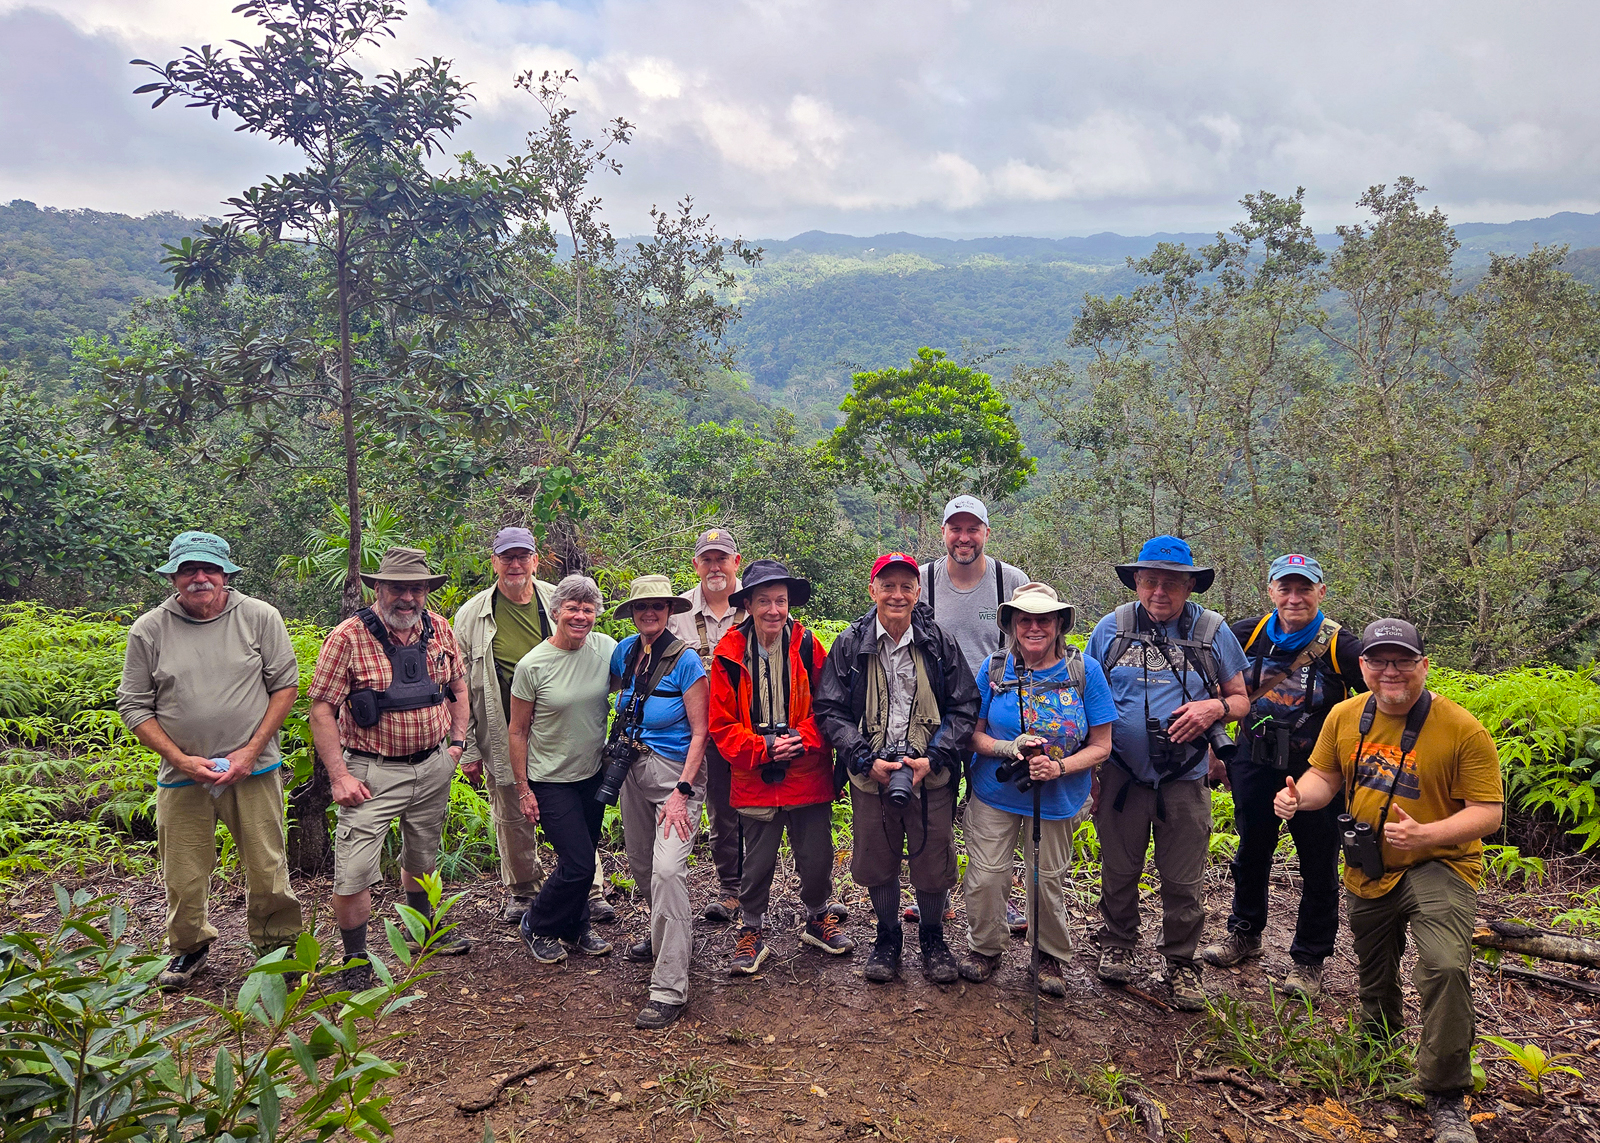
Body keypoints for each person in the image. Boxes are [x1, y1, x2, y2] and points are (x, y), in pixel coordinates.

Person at [1275, 618, 1502, 1143]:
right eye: (1379, 661)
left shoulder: (1461, 727)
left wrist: (1429, 835)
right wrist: (1299, 798)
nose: (1390, 671)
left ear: (1423, 665)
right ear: (1363, 667)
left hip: (1439, 861)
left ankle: (1445, 1092)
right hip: (1368, 863)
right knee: (1376, 972)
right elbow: (1326, 776)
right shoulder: (1346, 715)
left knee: (1444, 965)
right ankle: (1378, 1049)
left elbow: (1488, 812)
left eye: (1402, 660)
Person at [117, 531, 303, 991]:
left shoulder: (259, 616)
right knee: (181, 869)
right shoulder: (150, 629)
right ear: (174, 577)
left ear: (225, 574)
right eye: (188, 571)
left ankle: (276, 945)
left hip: (254, 767)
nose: (199, 579)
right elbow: (134, 705)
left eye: (209, 570)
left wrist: (251, 749)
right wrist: (180, 759)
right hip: (181, 774)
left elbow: (285, 687)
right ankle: (189, 947)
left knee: (266, 863)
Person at [1085, 536, 1249, 1010]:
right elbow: (1088, 697)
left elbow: (1239, 699)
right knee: (1119, 867)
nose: (1160, 591)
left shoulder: (1213, 630)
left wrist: (1211, 708)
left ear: (1190, 585)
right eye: (1151, 580)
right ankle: (1118, 940)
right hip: (1120, 774)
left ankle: (1181, 961)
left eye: (1172, 583)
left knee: (1183, 879)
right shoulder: (1111, 629)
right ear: (1137, 580)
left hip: (1186, 774)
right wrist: (1090, 771)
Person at [307, 547, 473, 990]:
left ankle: (423, 932)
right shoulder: (347, 637)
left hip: (434, 764)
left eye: (416, 588)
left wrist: (456, 744)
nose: (407, 597)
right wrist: (340, 776)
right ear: (378, 588)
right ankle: (355, 958)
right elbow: (322, 708)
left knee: (422, 853)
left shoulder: (439, 628)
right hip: (371, 772)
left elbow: (458, 685)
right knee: (354, 870)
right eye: (398, 587)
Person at [1201, 554, 1365, 999]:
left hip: (1318, 772)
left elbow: (1376, 702)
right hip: (1253, 761)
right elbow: (1211, 688)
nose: (1294, 598)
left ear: (1321, 593)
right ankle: (1245, 933)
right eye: (1285, 589)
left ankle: (1310, 958)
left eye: (1304, 589)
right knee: (1252, 849)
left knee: (1318, 861)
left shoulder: (1340, 647)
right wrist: (1218, 753)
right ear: (1270, 590)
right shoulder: (1243, 634)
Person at [814, 552, 979, 984]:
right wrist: (864, 758)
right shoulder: (851, 643)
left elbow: (964, 706)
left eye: (906, 586)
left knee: (933, 859)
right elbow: (830, 709)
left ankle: (932, 935)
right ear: (873, 590)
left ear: (918, 591)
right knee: (876, 859)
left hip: (931, 774)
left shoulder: (938, 641)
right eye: (888, 585)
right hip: (871, 775)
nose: (897, 594)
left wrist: (936, 757)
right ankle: (887, 936)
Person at [959, 583, 1115, 994]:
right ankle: (985, 948)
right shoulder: (994, 669)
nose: (1033, 627)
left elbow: (1102, 745)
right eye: (1023, 619)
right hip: (995, 792)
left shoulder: (1085, 671)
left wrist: (1059, 766)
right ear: (1010, 623)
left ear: (1059, 623)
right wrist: (1007, 747)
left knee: (1045, 877)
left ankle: (1048, 956)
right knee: (987, 876)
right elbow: (970, 734)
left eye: (1043, 619)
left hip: (1057, 796)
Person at [454, 527, 613, 926]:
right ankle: (524, 891)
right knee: (511, 813)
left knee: (577, 811)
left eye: (523, 556)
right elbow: (457, 684)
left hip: (561, 728)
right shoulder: (472, 616)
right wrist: (469, 749)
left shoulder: (555, 600)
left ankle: (588, 889)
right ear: (494, 561)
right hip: (503, 727)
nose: (515, 564)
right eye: (507, 557)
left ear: (535, 560)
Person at [708, 559, 850, 975]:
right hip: (755, 774)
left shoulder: (808, 646)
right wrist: (764, 747)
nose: (774, 610)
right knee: (757, 859)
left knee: (816, 853)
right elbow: (720, 724)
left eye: (781, 601)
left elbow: (830, 707)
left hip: (807, 771)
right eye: (765, 601)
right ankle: (751, 928)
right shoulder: (728, 653)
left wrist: (802, 740)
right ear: (748, 604)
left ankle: (818, 916)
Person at [916, 494, 1031, 930]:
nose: (964, 538)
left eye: (972, 529)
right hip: (934, 716)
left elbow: (1028, 640)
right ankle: (937, 894)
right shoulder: (923, 580)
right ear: (943, 532)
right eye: (955, 529)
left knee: (993, 807)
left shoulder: (1009, 579)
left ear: (986, 532)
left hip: (993, 716)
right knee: (936, 807)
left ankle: (1001, 897)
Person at [609, 575, 711, 1029]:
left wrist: (682, 792)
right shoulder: (626, 651)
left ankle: (669, 986)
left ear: (670, 611)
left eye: (658, 606)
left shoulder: (686, 661)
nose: (649, 613)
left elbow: (701, 731)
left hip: (675, 774)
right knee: (642, 865)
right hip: (631, 769)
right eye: (641, 606)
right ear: (632, 612)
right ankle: (662, 937)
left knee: (669, 869)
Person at [507, 574, 618, 965]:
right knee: (579, 863)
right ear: (556, 612)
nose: (580, 615)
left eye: (588, 609)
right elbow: (517, 730)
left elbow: (634, 678)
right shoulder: (533, 665)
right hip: (550, 779)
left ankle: (576, 925)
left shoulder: (606, 649)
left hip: (592, 774)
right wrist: (523, 788)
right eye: (572, 607)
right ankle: (537, 923)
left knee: (584, 855)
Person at [666, 528, 747, 923]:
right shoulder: (676, 610)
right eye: (707, 560)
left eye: (722, 558)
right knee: (720, 810)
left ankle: (804, 894)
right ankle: (731, 888)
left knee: (768, 808)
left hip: (753, 728)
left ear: (737, 562)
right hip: (700, 732)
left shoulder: (760, 600)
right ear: (696, 565)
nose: (715, 567)